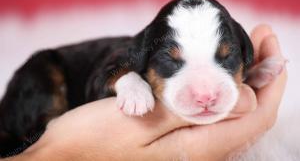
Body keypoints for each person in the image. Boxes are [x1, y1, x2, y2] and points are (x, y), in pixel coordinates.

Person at [5, 24, 287, 161]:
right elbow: (108, 75)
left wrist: (243, 79)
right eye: (174, 61)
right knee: (44, 82)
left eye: (226, 59)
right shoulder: (134, 61)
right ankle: (32, 138)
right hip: (50, 73)